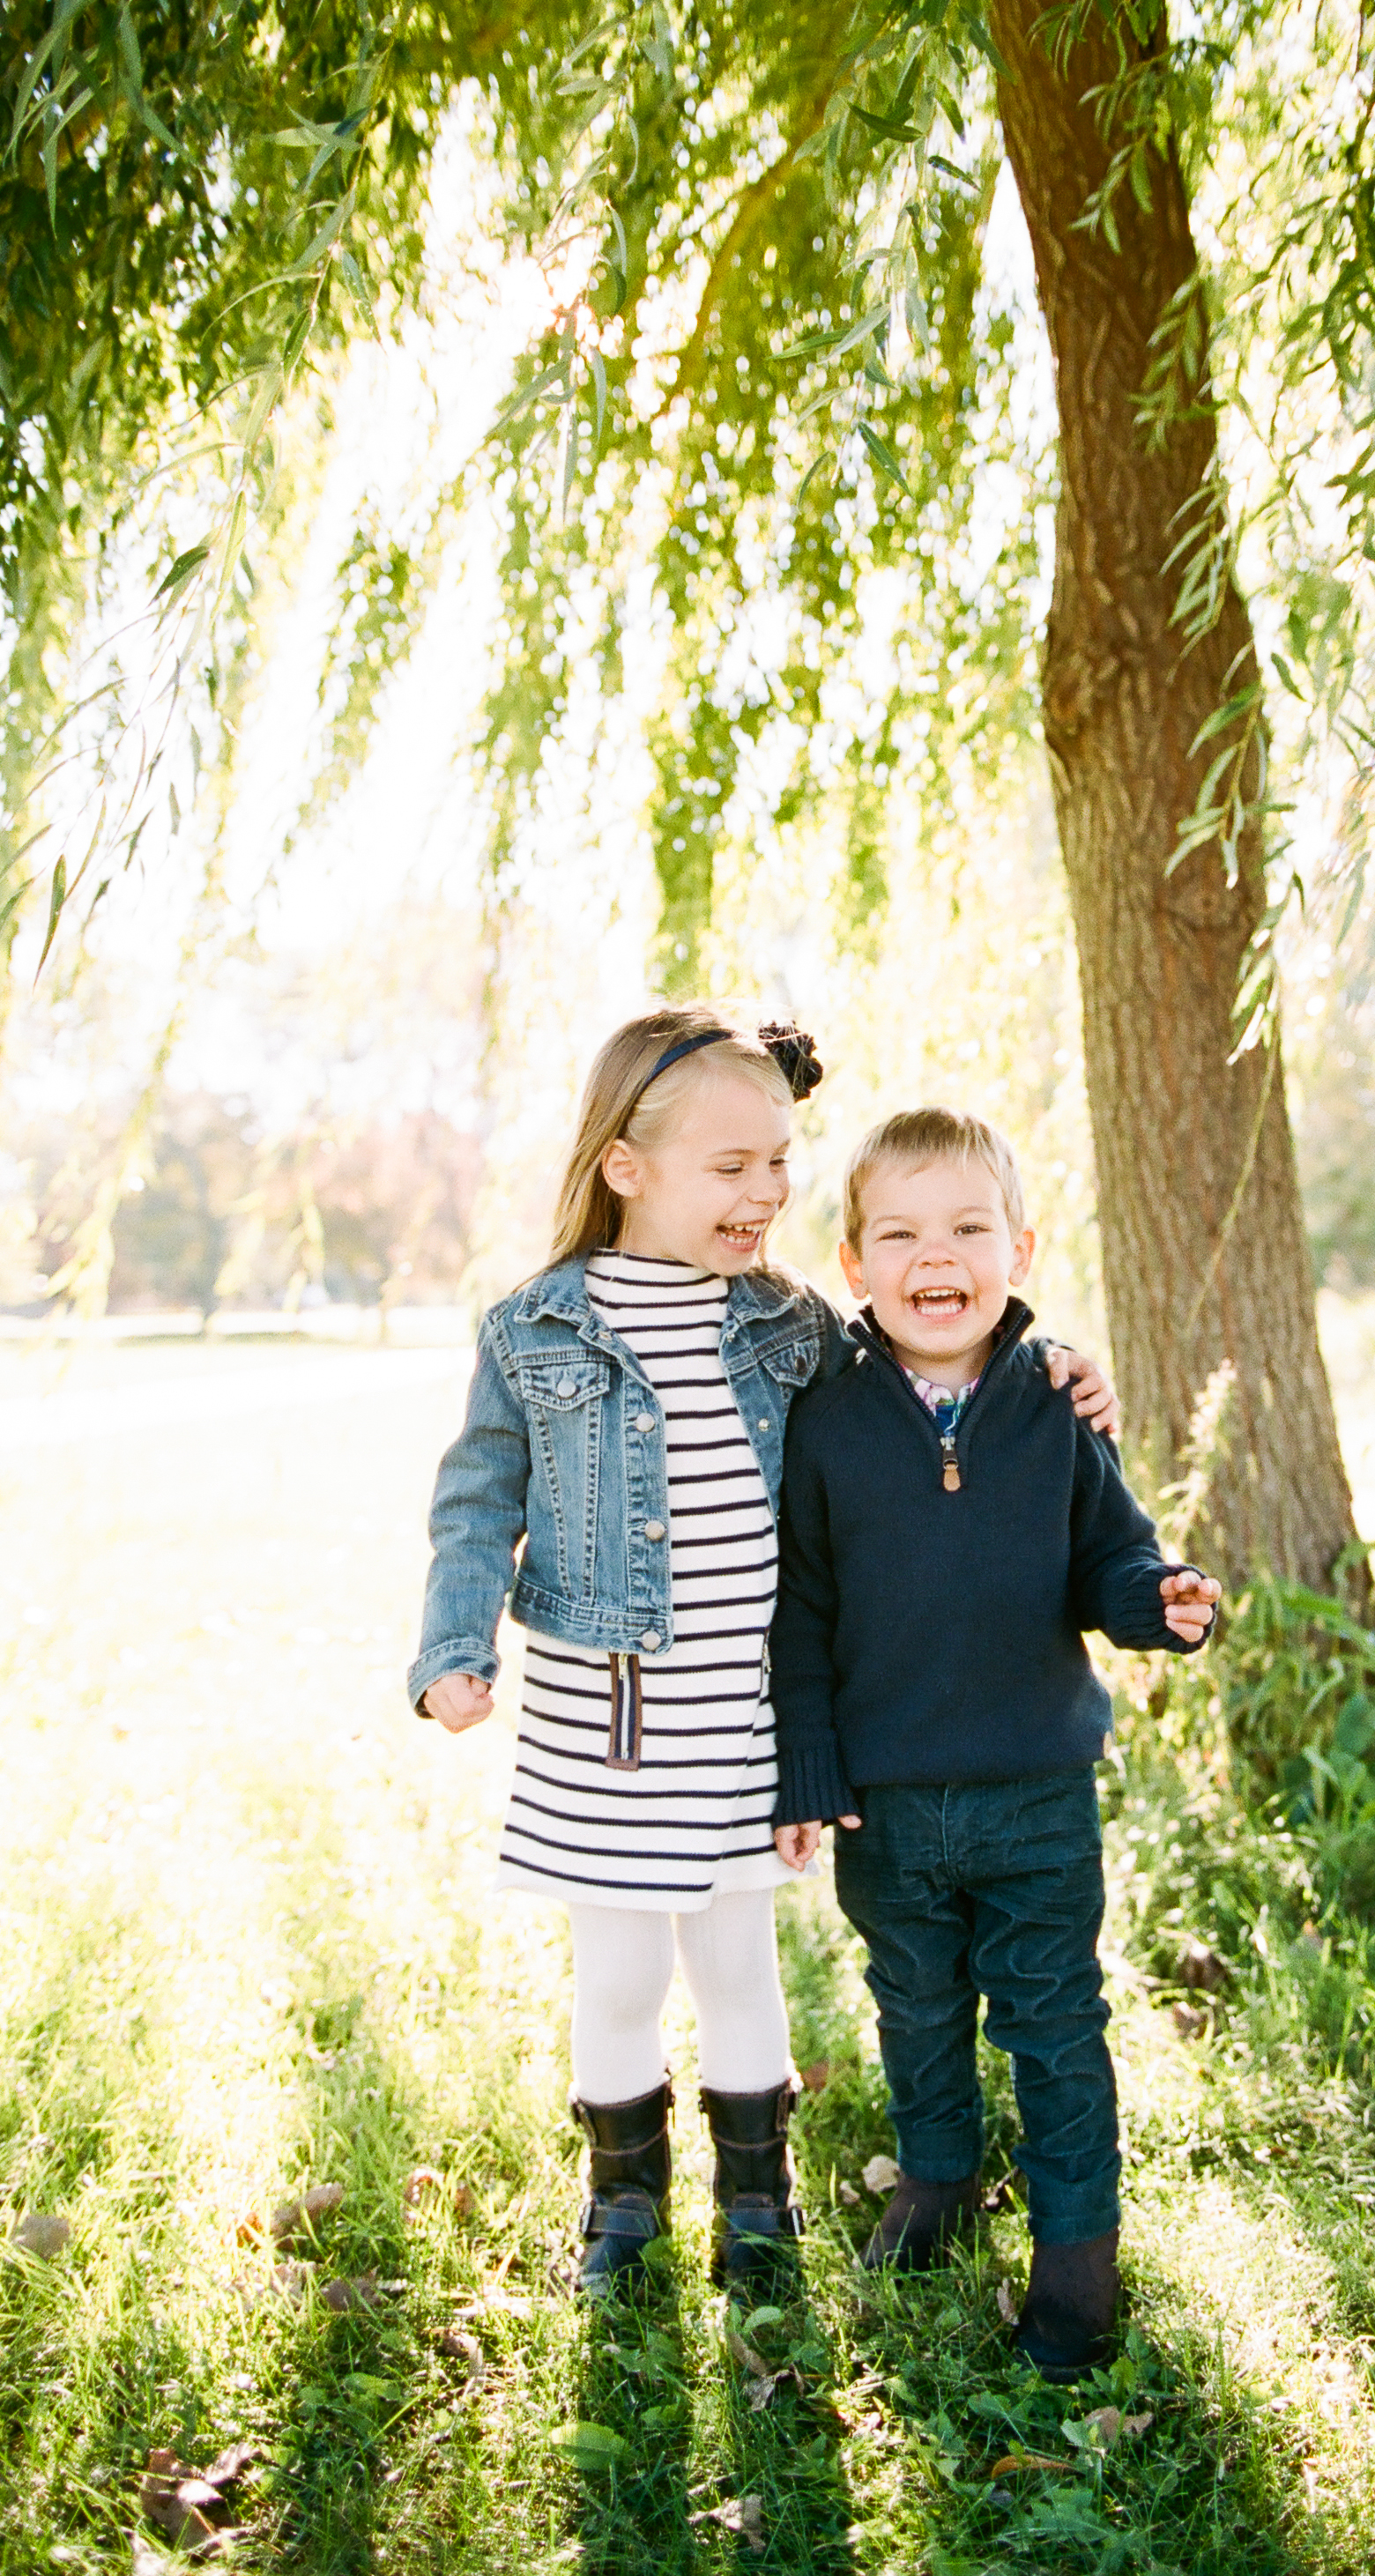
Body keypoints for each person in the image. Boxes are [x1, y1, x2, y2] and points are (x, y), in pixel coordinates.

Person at [406, 1010, 1124, 2300]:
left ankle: (758, 2202)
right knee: (620, 1970)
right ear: (627, 1168)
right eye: (732, 1166)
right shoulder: (535, 1327)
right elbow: (477, 1498)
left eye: (780, 1161)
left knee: (737, 1961)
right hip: (604, 1717)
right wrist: (455, 1643)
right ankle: (621, 2204)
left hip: (742, 1714)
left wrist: (1050, 1357)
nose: (767, 1192)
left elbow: (929, 1340)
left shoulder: (785, 1325)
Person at [769, 1107, 1221, 2379]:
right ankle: (938, 2179)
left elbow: (1111, 1557)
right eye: (901, 1233)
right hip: (889, 1799)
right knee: (915, 2004)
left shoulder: (1055, 1405)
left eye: (968, 1228)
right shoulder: (828, 1417)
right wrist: (811, 1764)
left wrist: (1160, 1602)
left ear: (1018, 1247)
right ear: (855, 1265)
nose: (937, 1256)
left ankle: (1078, 2257)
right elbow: (799, 1611)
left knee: (1055, 2021)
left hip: (1036, 1791)